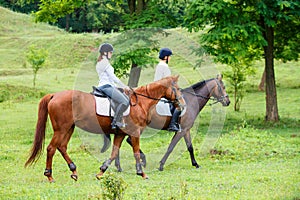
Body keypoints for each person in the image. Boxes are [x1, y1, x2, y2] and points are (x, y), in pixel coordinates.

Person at [96, 43, 129, 129]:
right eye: (110, 52)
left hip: (106, 86)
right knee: (124, 101)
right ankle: (116, 122)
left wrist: (117, 87)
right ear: (105, 53)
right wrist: (124, 86)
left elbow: (109, 78)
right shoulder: (105, 62)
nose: (111, 54)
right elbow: (113, 77)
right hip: (106, 87)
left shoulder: (101, 62)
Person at [154, 47, 181, 132]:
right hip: (163, 91)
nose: (170, 58)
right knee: (179, 105)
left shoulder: (160, 65)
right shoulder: (164, 66)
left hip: (161, 89)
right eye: (169, 56)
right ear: (166, 57)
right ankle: (173, 124)